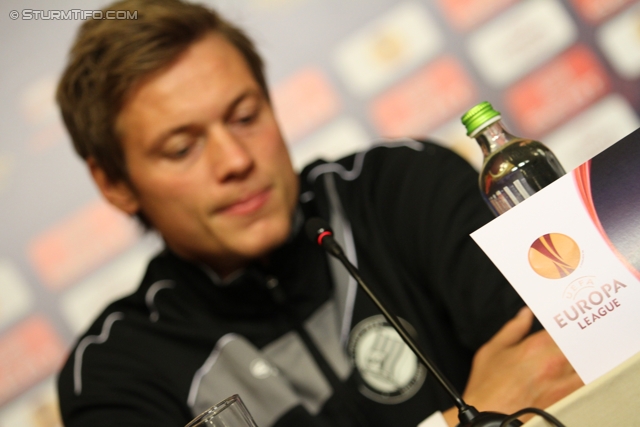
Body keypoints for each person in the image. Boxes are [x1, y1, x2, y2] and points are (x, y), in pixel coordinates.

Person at [55, 0, 582, 426]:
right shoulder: (115, 370)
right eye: (181, 148)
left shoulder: (400, 189)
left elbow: (566, 368)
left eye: (244, 116)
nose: (236, 160)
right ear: (115, 182)